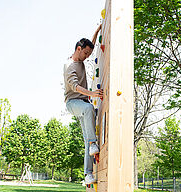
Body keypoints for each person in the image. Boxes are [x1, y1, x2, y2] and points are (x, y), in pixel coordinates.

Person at [63, 25, 103, 184]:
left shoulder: (82, 55)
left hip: (83, 103)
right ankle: (93, 143)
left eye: (89, 53)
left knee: (87, 138)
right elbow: (74, 87)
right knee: (88, 109)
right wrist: (92, 93)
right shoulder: (69, 66)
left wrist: (97, 31)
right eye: (85, 53)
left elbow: (90, 45)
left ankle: (87, 175)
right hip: (73, 103)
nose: (87, 56)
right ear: (78, 49)